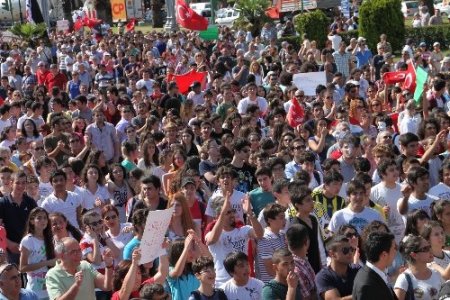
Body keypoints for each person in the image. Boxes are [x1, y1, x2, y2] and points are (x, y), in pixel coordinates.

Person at [205, 191, 263, 286]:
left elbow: (260, 235)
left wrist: (250, 213)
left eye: (233, 211)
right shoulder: (212, 234)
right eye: (228, 212)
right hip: (222, 284)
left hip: (244, 283)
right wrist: (222, 213)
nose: (232, 214)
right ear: (217, 216)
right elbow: (212, 240)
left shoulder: (243, 230)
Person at [45, 237, 114, 300]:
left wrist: (108, 265)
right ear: (61, 255)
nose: (78, 254)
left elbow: (107, 286)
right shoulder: (52, 275)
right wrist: (76, 285)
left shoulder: (85, 265)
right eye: (73, 252)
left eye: (79, 250)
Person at [19, 207, 57, 299]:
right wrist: (47, 263)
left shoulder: (51, 238)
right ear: (32, 221)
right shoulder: (28, 240)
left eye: (45, 218)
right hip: (35, 291)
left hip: (51, 287)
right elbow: (22, 268)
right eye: (39, 218)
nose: (43, 220)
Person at [0, 171, 37, 264]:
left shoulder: (31, 202)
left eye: (23, 183)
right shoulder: (3, 203)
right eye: (17, 183)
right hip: (10, 251)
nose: (21, 186)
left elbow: (37, 224)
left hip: (29, 248)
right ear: (11, 183)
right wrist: (9, 244)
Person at [394, 234, 444, 300]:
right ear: (414, 255)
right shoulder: (404, 278)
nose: (430, 251)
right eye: (425, 249)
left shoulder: (436, 273)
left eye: (429, 247)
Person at [352, 231, 397, 300]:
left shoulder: (379, 273)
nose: (396, 252)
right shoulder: (366, 286)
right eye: (394, 248)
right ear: (384, 255)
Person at [315, 235, 360, 300]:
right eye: (345, 250)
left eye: (351, 249)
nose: (350, 253)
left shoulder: (357, 270)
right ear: (332, 254)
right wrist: (363, 294)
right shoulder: (323, 277)